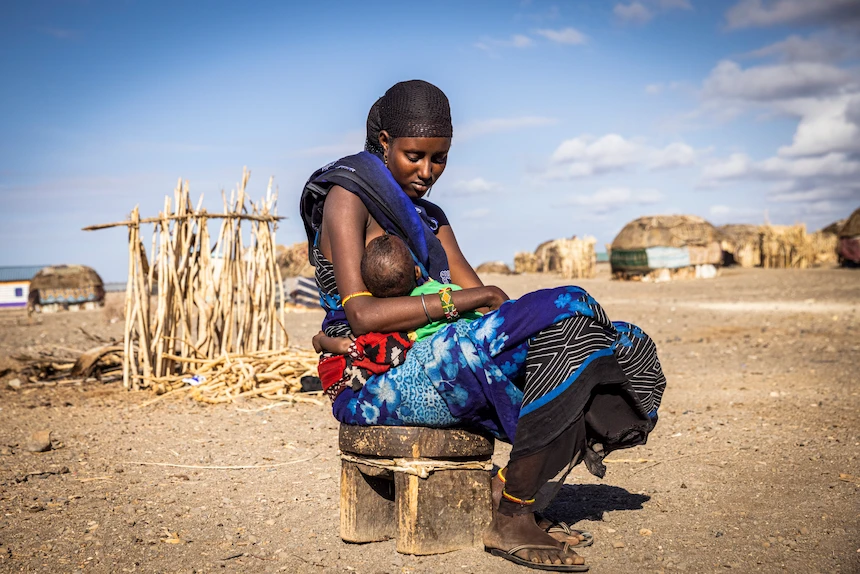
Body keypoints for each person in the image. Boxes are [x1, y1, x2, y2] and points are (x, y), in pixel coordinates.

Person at [300, 80, 666, 572]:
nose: (427, 172)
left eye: (439, 159)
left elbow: (491, 317)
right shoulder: (350, 196)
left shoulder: (431, 219)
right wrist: (473, 298)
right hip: (376, 378)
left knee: (619, 345)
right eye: (415, 156)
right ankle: (514, 519)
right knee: (571, 302)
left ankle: (508, 498)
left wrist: (506, 316)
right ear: (383, 141)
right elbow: (363, 314)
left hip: (440, 357)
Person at [312, 233, 482, 356]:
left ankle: (322, 340)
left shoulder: (392, 318)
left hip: (434, 354)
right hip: (469, 344)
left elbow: (353, 342)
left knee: (345, 339)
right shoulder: (439, 291)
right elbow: (470, 304)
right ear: (417, 272)